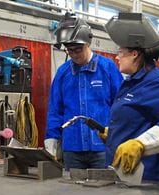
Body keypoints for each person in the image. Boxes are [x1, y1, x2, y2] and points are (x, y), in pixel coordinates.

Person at [104, 13, 159, 184]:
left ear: (134, 53)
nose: (116, 56)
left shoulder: (158, 81)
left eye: (120, 52)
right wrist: (115, 132)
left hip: (155, 180)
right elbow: (137, 117)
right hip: (130, 177)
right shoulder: (132, 82)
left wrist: (142, 144)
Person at [44, 13, 123, 170]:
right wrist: (51, 140)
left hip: (102, 147)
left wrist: (121, 136)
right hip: (72, 149)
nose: (73, 54)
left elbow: (120, 105)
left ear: (88, 43)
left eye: (78, 49)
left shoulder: (107, 68)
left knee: (104, 191)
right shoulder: (63, 73)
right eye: (69, 50)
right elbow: (55, 110)